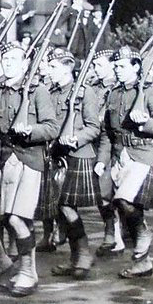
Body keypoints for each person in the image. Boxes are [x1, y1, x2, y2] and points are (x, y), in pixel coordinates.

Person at [101, 47, 153, 277]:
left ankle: (142, 238)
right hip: (120, 155)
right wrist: (106, 158)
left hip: (142, 154)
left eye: (122, 66)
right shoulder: (114, 94)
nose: (117, 70)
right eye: (116, 66)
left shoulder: (151, 92)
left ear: (136, 67)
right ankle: (142, 259)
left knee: (125, 202)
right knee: (119, 205)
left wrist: (144, 123)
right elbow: (108, 131)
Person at [49, 47, 105, 279]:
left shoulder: (85, 92)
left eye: (54, 67)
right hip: (55, 155)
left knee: (66, 206)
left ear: (68, 67)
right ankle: (75, 257)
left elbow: (93, 127)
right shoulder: (51, 93)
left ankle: (82, 253)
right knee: (58, 207)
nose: (49, 71)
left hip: (77, 155)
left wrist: (76, 138)